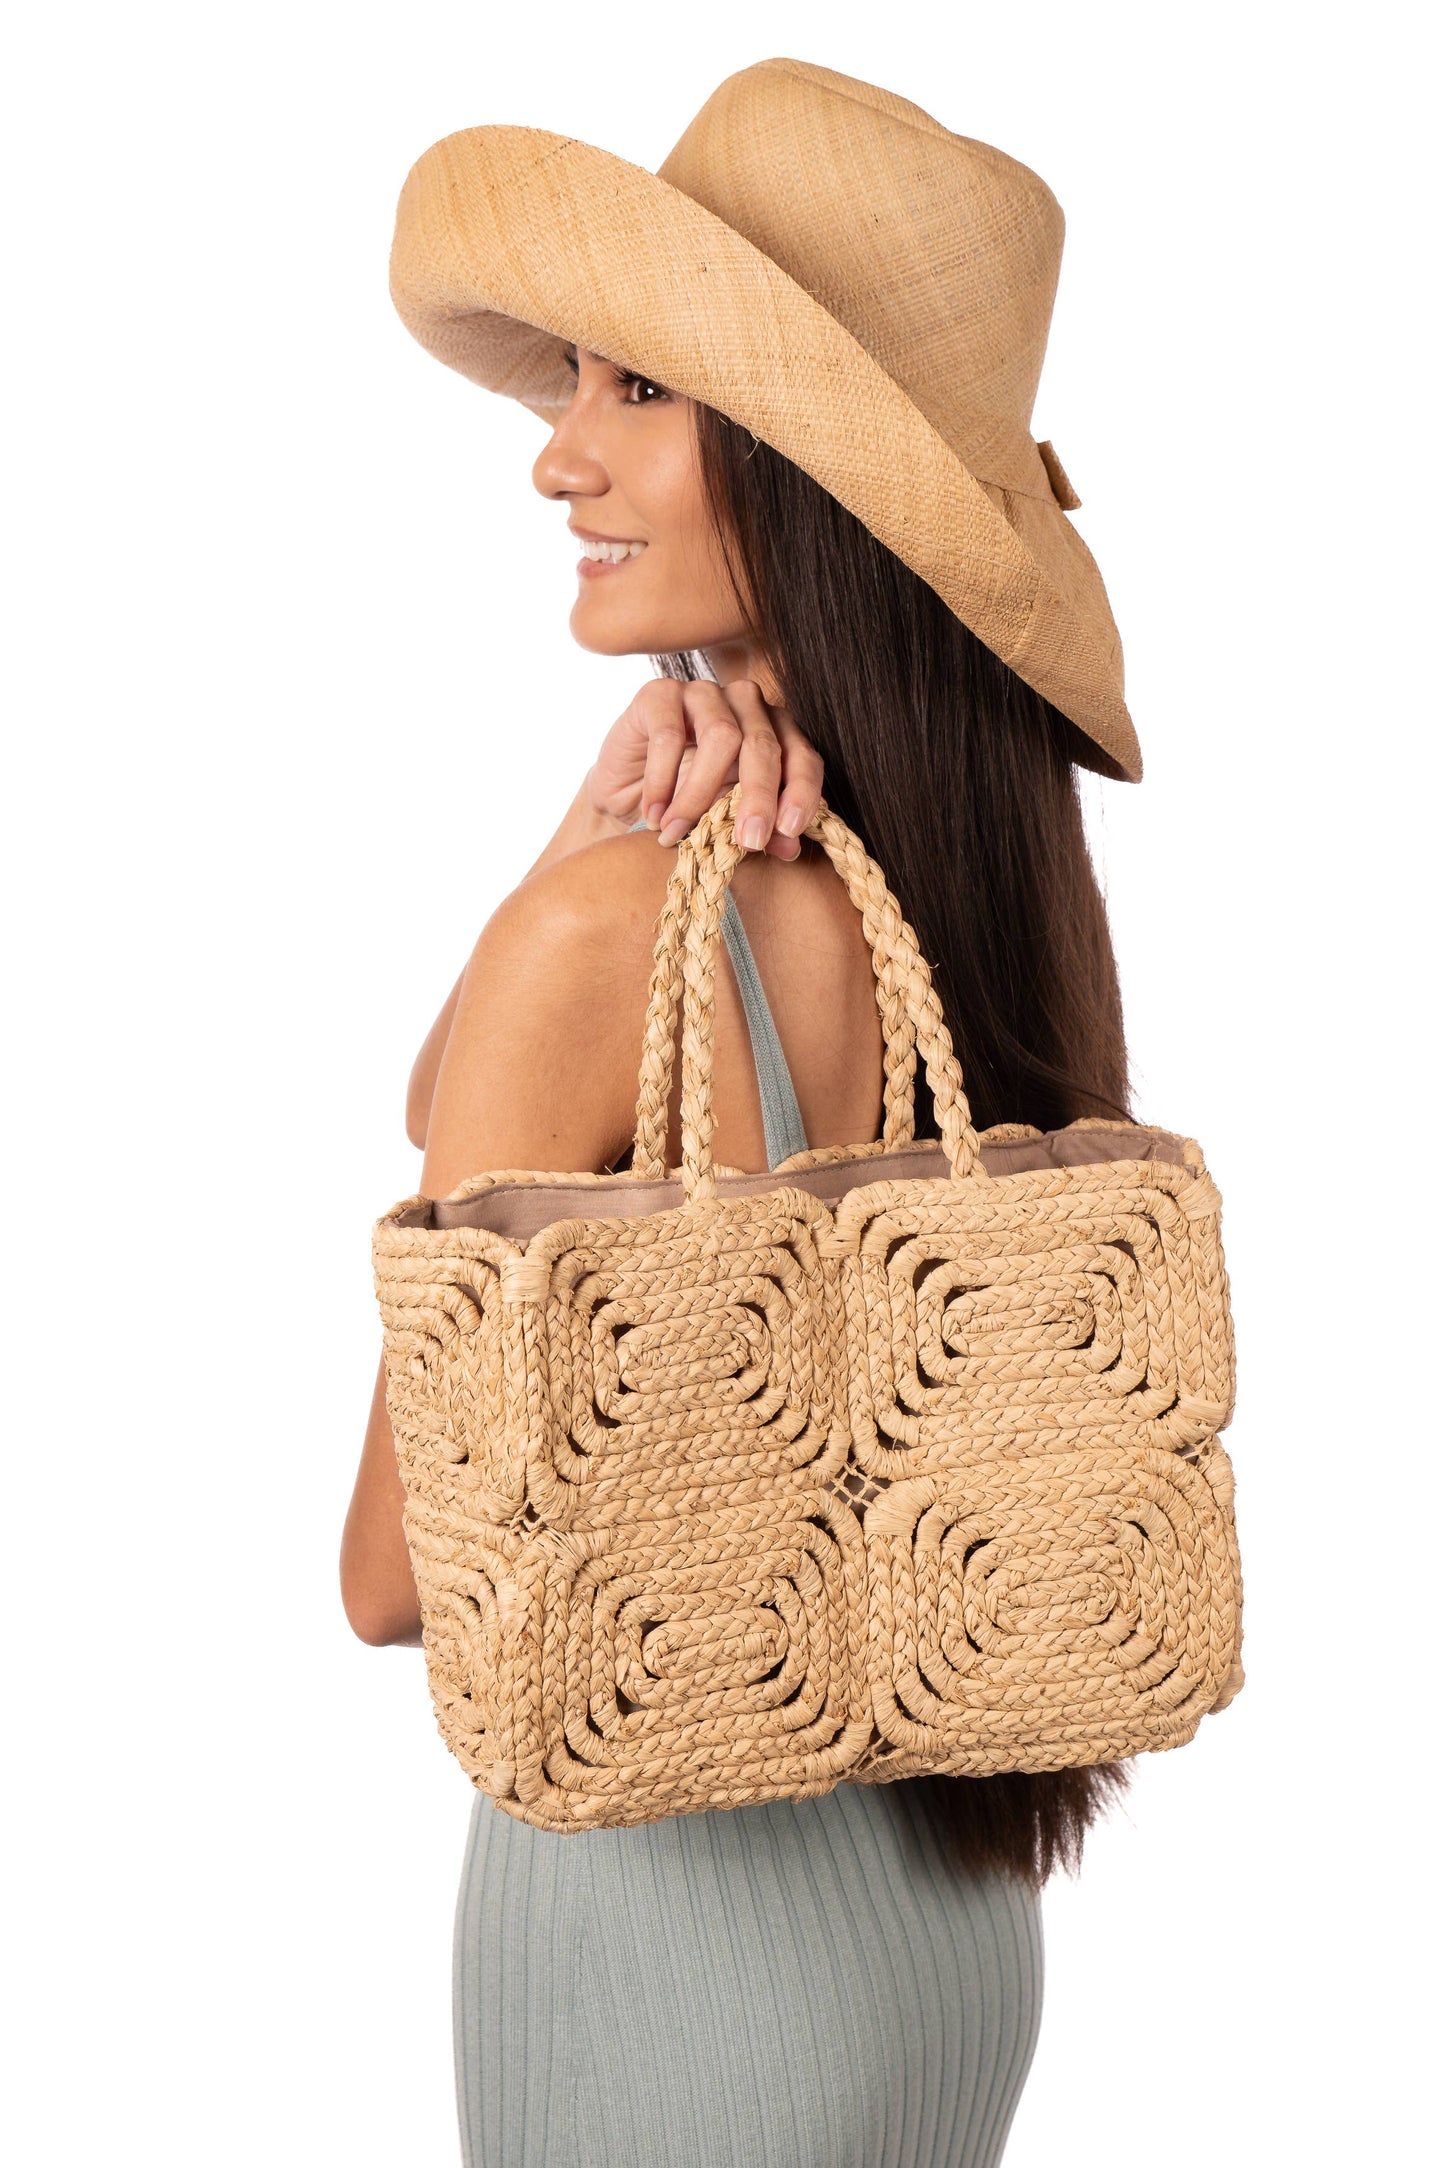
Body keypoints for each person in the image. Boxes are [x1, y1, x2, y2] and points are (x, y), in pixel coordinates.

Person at [342, 57, 1142, 2168]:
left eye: (639, 389)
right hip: (944, 1933)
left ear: (805, 471)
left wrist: (568, 897)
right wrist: (580, 839)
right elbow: (471, 1097)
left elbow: (394, 1577)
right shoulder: (989, 899)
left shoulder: (606, 941)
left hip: (668, 1963)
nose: (559, 454)